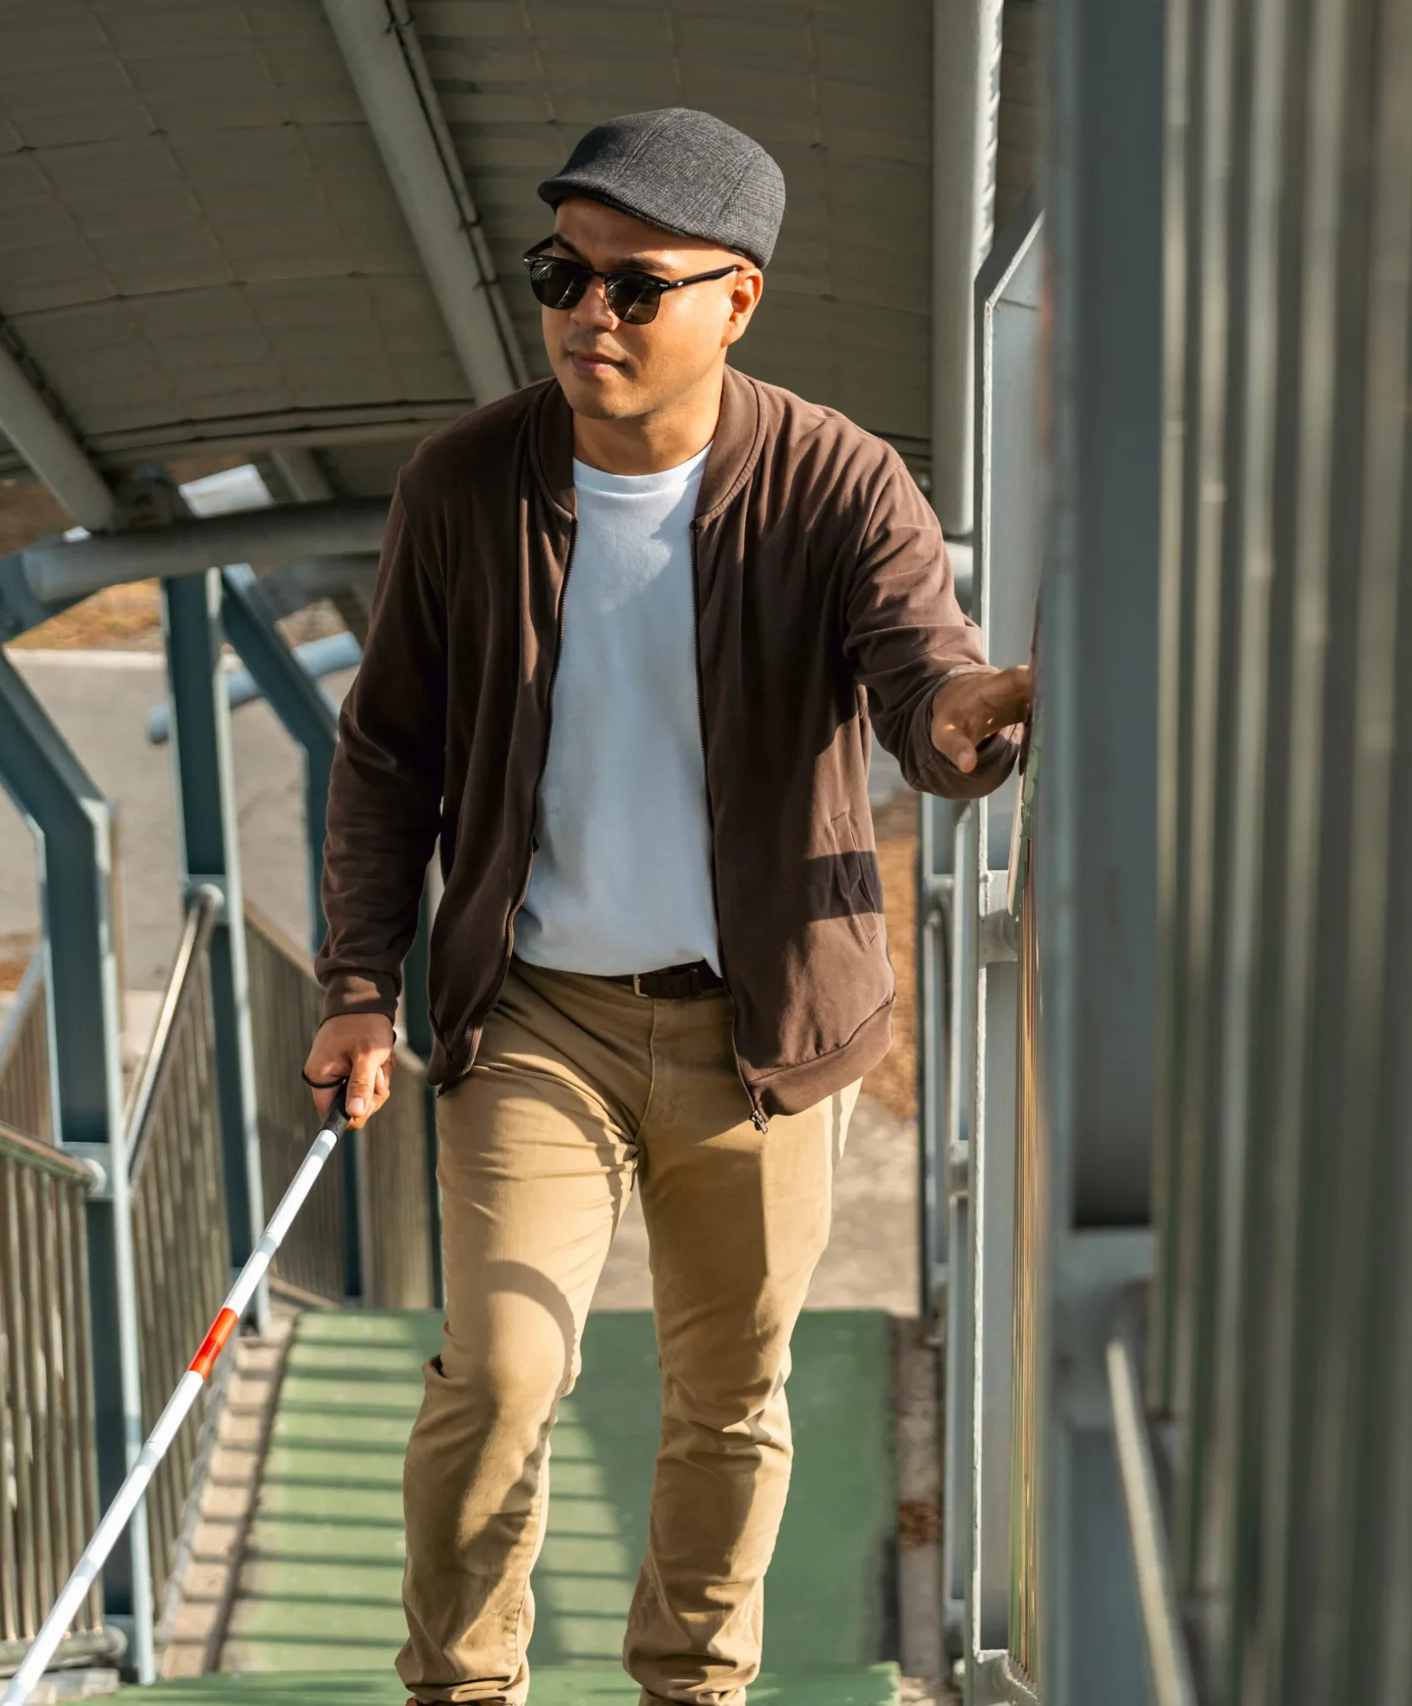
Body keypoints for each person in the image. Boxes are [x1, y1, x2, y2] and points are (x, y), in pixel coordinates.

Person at [302, 106, 1033, 1706]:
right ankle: (461, 1686)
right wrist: (360, 979)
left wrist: (972, 719)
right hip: (537, 1014)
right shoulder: (463, 485)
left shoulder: (839, 481)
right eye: (563, 276)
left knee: (729, 1397)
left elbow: (926, 680)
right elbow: (387, 759)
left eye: (637, 287)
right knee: (499, 1373)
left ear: (737, 301)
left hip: (760, 1026)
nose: (589, 316)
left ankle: (693, 1687)